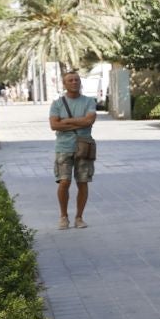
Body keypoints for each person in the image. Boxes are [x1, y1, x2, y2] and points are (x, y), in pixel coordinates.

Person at [50, 70, 98, 229]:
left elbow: (89, 121)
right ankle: (63, 216)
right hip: (63, 148)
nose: (74, 82)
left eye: (76, 80)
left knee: (83, 182)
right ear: (64, 84)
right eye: (70, 80)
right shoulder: (57, 104)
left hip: (84, 147)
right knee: (64, 182)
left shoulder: (89, 101)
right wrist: (80, 122)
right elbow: (54, 125)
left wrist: (67, 121)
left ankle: (79, 217)